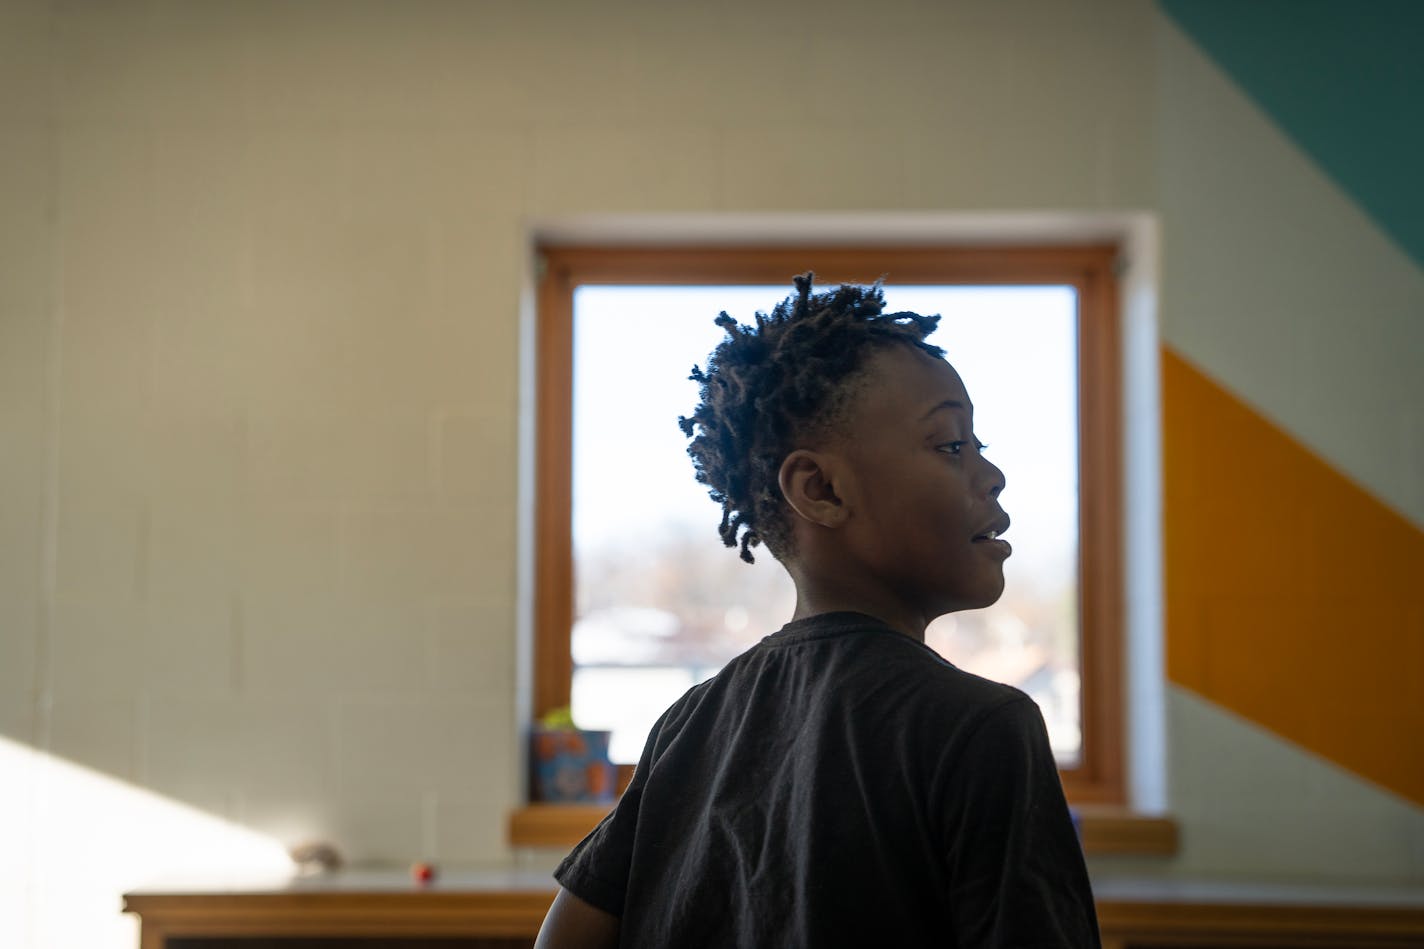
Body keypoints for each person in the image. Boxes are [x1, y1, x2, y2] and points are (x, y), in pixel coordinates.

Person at [534, 274, 1100, 948]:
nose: (992, 473)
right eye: (951, 444)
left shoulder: (688, 723)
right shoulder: (985, 729)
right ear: (821, 488)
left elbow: (566, 934)